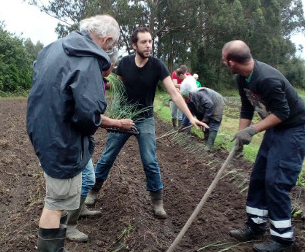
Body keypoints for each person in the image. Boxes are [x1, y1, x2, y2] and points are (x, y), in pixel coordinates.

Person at [27, 14, 129, 252]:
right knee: (56, 201)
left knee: (61, 198)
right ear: (107, 40)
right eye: (113, 45)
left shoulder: (54, 47)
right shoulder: (86, 61)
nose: (110, 51)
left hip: (46, 131)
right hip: (61, 138)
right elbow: (88, 114)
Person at [85, 27, 208, 219]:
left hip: (145, 119)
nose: (148, 45)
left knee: (150, 161)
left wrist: (191, 117)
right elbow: (116, 87)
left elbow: (174, 93)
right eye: (144, 42)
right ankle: (92, 192)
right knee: (108, 156)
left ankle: (157, 201)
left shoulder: (158, 66)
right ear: (134, 45)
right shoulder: (125, 63)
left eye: (150, 41)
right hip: (124, 117)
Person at [222, 40, 305, 252]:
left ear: (231, 62)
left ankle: (283, 238)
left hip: (294, 128)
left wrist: (252, 131)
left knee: (276, 181)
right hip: (276, 128)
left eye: (224, 61)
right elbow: (246, 108)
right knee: (258, 176)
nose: (225, 64)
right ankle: (255, 226)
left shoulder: (267, 79)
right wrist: (241, 134)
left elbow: (283, 113)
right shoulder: (243, 78)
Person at [65, 49, 130, 241]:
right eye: (112, 65)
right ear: (106, 64)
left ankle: (80, 209)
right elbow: (90, 115)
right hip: (72, 138)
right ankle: (69, 225)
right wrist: (117, 123)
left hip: (81, 137)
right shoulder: (89, 81)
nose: (113, 69)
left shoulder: (98, 80)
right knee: (84, 179)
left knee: (88, 177)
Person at [180, 84, 226, 150]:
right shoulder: (188, 101)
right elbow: (189, 114)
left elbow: (209, 104)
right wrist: (183, 125)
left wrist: (206, 118)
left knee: (213, 124)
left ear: (188, 96)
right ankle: (206, 142)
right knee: (203, 124)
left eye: (186, 100)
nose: (186, 102)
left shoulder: (199, 94)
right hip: (204, 107)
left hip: (216, 103)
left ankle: (209, 146)